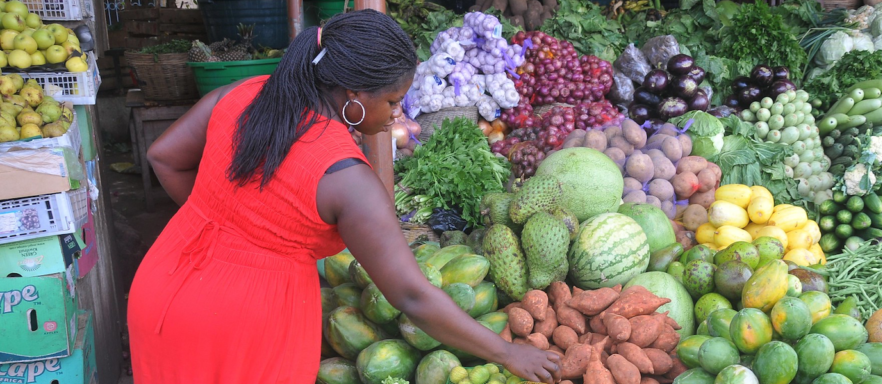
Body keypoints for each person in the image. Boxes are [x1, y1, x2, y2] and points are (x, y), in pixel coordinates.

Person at [126, 10, 561, 384]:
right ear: (353, 95)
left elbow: (163, 157)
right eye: (392, 102)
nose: (396, 115)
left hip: (164, 285)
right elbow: (410, 295)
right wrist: (507, 354)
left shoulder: (244, 94)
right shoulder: (347, 179)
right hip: (243, 324)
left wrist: (226, 225)